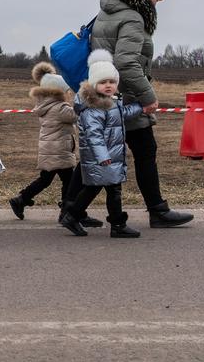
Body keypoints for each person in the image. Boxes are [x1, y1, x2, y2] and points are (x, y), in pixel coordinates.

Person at [89, 0, 193, 228]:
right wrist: (147, 96)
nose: (156, 6)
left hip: (108, 93)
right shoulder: (133, 16)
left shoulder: (108, 10)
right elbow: (126, 62)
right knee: (145, 151)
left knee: (100, 153)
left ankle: (71, 208)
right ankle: (157, 211)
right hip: (127, 96)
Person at [60, 50, 156, 237]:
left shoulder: (111, 102)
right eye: (103, 82)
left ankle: (73, 216)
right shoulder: (92, 108)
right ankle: (117, 224)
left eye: (112, 82)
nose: (108, 85)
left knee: (98, 188)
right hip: (101, 158)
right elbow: (94, 136)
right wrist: (103, 157)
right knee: (109, 190)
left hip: (111, 156)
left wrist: (140, 108)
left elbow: (122, 115)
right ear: (94, 84)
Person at [8, 62, 102, 227]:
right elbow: (76, 115)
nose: (68, 93)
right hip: (59, 150)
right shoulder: (60, 108)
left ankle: (21, 199)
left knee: (46, 180)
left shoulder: (45, 105)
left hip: (50, 149)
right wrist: (86, 99)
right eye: (66, 91)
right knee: (70, 181)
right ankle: (68, 211)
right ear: (58, 92)